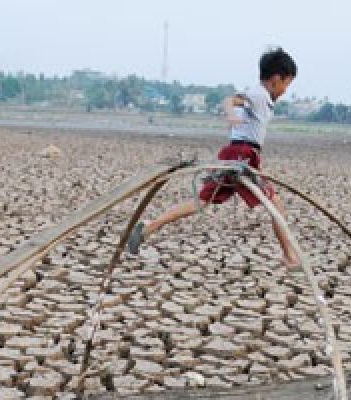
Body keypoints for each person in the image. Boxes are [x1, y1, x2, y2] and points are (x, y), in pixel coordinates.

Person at [127, 47, 300, 267]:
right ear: (276, 79)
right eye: (287, 84)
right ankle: (289, 257)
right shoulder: (258, 95)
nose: (286, 90)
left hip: (235, 154)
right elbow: (231, 101)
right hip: (242, 157)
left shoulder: (262, 98)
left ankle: (150, 226)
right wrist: (229, 114)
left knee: (202, 201)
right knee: (276, 205)